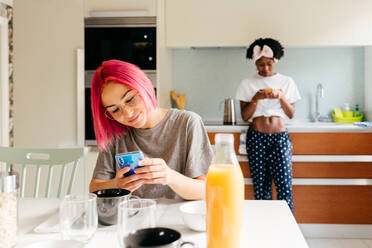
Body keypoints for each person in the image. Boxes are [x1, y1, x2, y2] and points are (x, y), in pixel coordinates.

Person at [89, 59, 213, 200]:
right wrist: (116, 184)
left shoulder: (187, 123)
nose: (128, 113)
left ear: (144, 86)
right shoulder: (116, 134)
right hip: (131, 217)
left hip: (175, 218)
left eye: (130, 99)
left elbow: (205, 191)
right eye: (115, 110)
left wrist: (169, 176)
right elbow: (94, 187)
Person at [235, 38, 301, 212]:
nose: (265, 68)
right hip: (257, 138)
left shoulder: (287, 82)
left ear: (275, 61)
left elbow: (291, 113)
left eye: (269, 64)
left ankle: (286, 233)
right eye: (260, 64)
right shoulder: (247, 83)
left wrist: (281, 97)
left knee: (284, 188)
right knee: (261, 189)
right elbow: (244, 116)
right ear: (255, 62)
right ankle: (263, 230)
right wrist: (256, 98)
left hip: (280, 139)